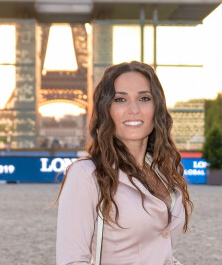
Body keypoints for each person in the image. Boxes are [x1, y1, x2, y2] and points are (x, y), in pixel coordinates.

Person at [56, 61, 193, 265]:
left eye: (144, 98)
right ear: (106, 109)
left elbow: (158, 250)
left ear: (156, 107)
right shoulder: (87, 174)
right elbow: (71, 261)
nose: (134, 109)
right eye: (120, 99)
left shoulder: (163, 172)